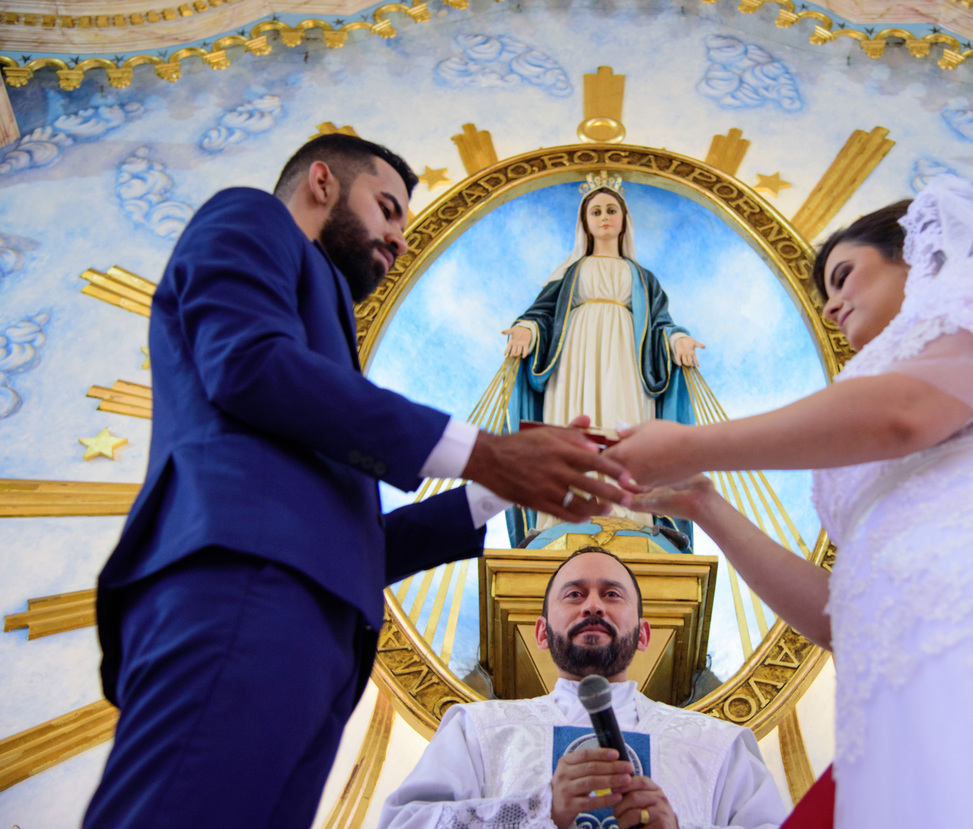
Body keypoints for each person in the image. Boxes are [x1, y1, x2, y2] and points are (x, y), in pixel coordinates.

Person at [612, 175, 973, 828]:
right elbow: (842, 617)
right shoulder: (890, 384)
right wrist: (704, 505)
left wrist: (693, 444)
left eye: (844, 275)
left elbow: (906, 412)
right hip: (902, 670)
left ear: (916, 251)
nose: (833, 306)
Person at [84, 133, 635, 829]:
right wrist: (482, 451)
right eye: (388, 208)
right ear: (321, 181)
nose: (399, 237)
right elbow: (247, 364)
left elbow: (353, 541)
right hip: (243, 576)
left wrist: (498, 489)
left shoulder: (325, 337)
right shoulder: (250, 219)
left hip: (316, 629)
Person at [377, 546, 787, 829]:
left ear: (643, 634)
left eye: (611, 594)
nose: (593, 605)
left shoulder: (718, 746)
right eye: (574, 595)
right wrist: (539, 811)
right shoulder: (478, 730)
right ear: (541, 632)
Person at [501, 177, 703, 544]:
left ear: (624, 219)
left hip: (627, 359)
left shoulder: (642, 277)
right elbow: (543, 313)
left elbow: (661, 322)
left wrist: (678, 339)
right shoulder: (570, 272)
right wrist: (526, 330)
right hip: (573, 357)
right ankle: (562, 510)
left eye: (611, 210)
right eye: (596, 211)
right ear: (585, 222)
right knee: (574, 422)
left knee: (621, 420)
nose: (604, 217)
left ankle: (628, 510)